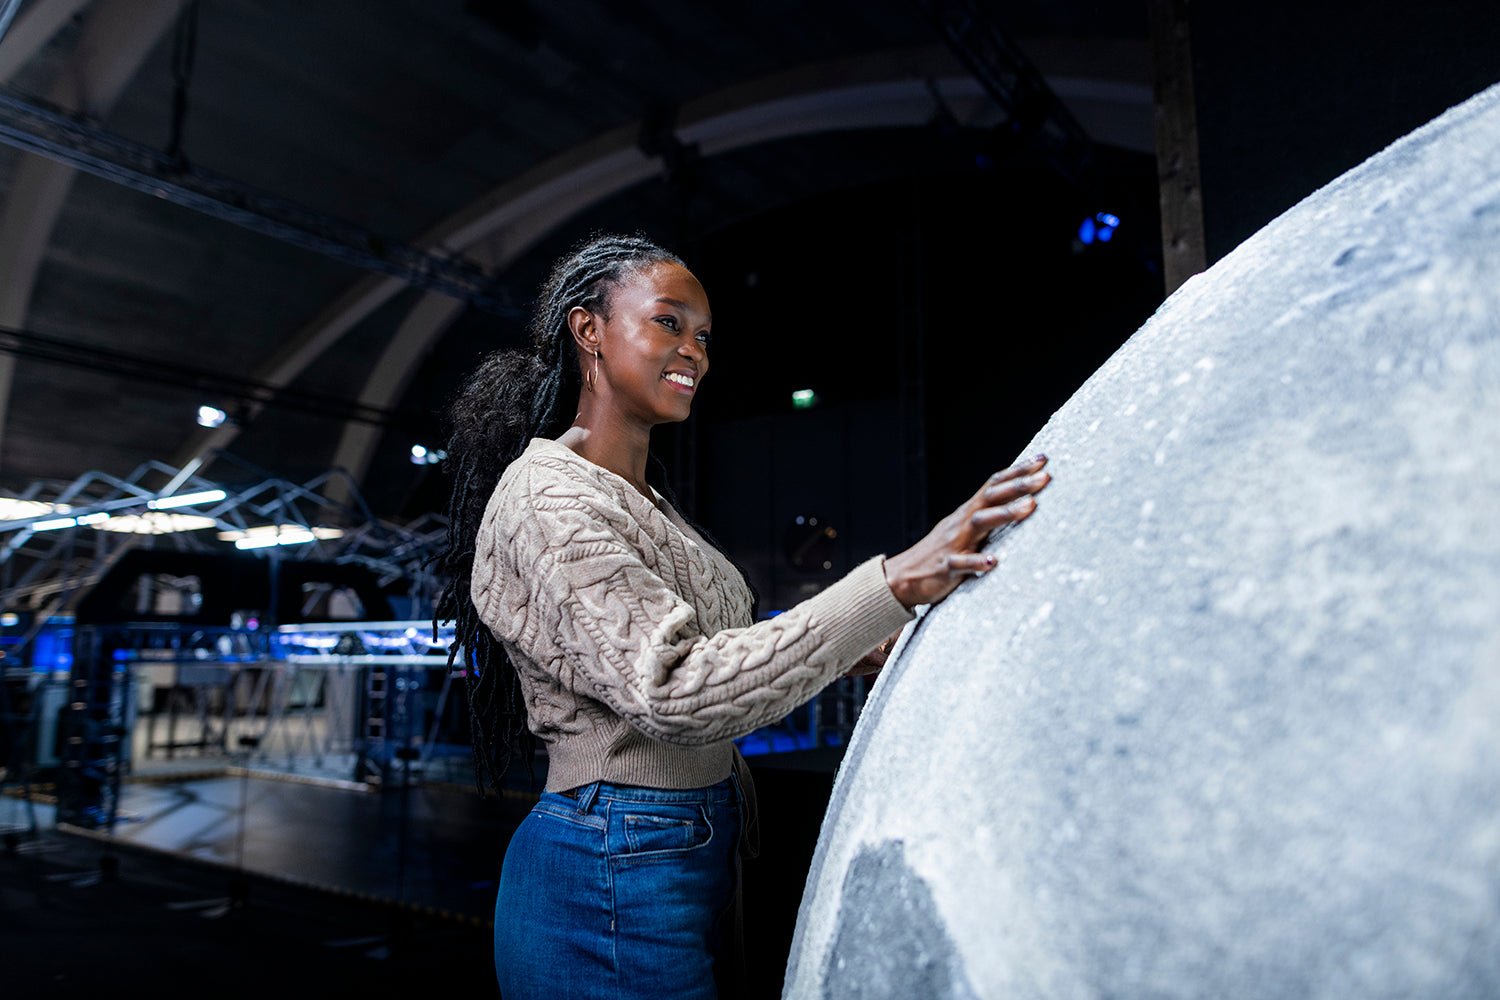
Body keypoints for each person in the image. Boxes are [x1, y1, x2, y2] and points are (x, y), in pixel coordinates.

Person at [435, 234, 1049, 999]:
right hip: (612, 868)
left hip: (669, 845)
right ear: (587, 330)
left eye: (703, 336)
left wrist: (843, 646)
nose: (693, 351)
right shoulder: (551, 500)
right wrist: (889, 585)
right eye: (668, 322)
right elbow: (676, 690)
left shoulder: (639, 500)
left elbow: (704, 651)